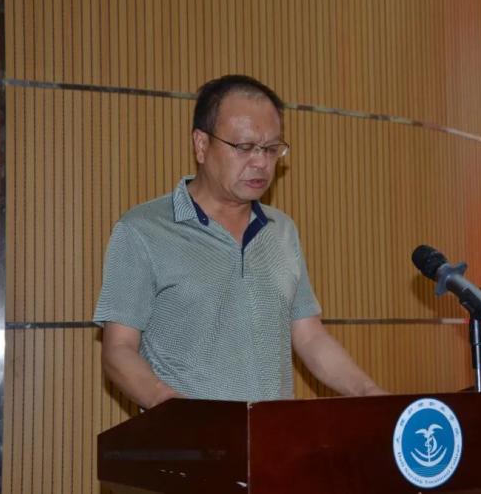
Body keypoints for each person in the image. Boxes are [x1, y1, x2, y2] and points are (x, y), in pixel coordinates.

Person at [94, 74, 385, 408]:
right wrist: (177, 412)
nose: (261, 162)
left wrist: (370, 394)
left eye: (271, 149)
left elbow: (310, 337)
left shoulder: (282, 230)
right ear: (201, 145)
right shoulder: (143, 229)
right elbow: (119, 350)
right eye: (245, 147)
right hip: (188, 437)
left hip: (273, 435)